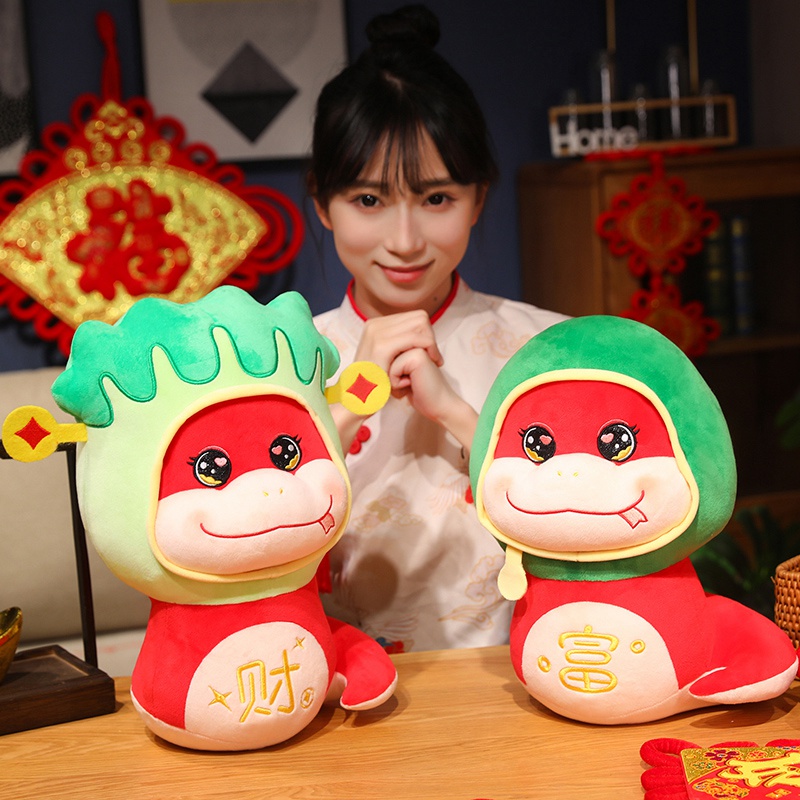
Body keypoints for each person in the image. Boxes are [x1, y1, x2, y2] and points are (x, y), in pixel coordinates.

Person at [309, 4, 567, 652]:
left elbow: (587, 516)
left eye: (436, 198)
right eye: (369, 200)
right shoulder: (282, 362)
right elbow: (246, 524)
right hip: (328, 685)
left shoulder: (547, 348)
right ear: (322, 204)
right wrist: (352, 398)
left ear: (479, 198)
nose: (404, 240)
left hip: (520, 681)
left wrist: (454, 411)